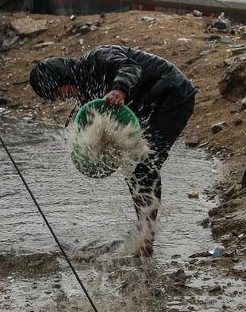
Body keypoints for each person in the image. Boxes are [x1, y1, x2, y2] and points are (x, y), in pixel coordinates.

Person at [29, 46, 197, 251]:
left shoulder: (97, 58)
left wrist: (119, 89)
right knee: (131, 166)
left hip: (174, 94)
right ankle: (143, 229)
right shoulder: (86, 93)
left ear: (61, 75)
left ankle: (146, 236)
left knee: (145, 165)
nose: (62, 96)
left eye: (58, 90)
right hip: (148, 104)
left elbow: (129, 66)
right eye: (56, 96)